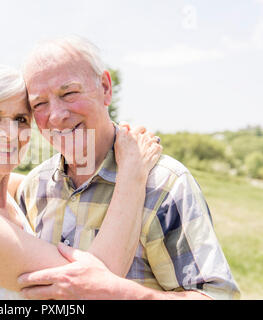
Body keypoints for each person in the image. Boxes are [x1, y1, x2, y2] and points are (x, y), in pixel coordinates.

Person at [15, 35, 241, 300]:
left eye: (69, 93)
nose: (56, 115)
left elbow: (218, 296)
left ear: (105, 88)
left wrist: (116, 293)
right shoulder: (33, 187)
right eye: (39, 103)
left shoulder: (165, 183)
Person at [0, 61, 162, 299]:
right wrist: (132, 171)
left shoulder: (7, 190)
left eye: (20, 119)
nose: (10, 134)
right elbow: (94, 287)